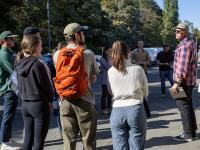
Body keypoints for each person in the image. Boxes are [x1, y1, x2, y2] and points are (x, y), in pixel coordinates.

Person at [55, 23, 98, 150]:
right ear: (77, 35)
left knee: (68, 140)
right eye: (82, 33)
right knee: (88, 140)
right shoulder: (88, 53)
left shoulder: (57, 54)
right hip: (85, 100)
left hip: (65, 101)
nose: (84, 35)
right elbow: (94, 77)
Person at [15, 35, 53, 150]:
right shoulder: (38, 64)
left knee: (28, 139)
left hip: (25, 104)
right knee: (38, 142)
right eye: (40, 45)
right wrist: (50, 100)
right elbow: (47, 86)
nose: (41, 48)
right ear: (35, 46)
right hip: (39, 104)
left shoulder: (18, 63)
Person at [108, 40, 148, 150]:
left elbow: (110, 91)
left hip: (116, 110)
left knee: (119, 145)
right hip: (135, 107)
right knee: (136, 144)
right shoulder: (138, 69)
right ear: (129, 52)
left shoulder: (110, 71)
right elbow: (145, 92)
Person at [171, 23, 198, 142]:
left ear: (185, 32)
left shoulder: (184, 46)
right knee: (188, 105)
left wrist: (177, 83)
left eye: (178, 31)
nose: (176, 33)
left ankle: (188, 134)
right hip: (189, 81)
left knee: (183, 106)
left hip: (183, 82)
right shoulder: (191, 43)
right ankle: (191, 131)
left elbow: (182, 67)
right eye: (175, 31)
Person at [0, 31, 21, 150]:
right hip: (9, 88)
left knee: (11, 115)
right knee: (8, 115)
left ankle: (7, 139)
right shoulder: (4, 53)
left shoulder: (8, 52)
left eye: (13, 38)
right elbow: (13, 70)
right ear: (4, 41)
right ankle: (4, 143)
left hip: (11, 88)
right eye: (11, 39)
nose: (13, 40)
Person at [130, 40, 151, 118]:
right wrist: (136, 63)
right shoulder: (134, 52)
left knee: (145, 83)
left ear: (143, 44)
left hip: (144, 69)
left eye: (141, 43)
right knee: (137, 84)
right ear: (137, 44)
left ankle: (145, 96)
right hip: (136, 70)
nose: (140, 44)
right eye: (139, 43)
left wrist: (145, 62)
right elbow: (130, 60)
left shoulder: (146, 51)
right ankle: (139, 96)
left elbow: (149, 60)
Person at [100, 48, 112, 114]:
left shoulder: (112, 58)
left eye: (111, 50)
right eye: (108, 50)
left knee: (110, 94)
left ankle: (109, 107)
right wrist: (110, 60)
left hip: (112, 79)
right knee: (104, 95)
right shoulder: (102, 59)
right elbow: (108, 67)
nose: (110, 51)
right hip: (105, 79)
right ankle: (103, 108)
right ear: (105, 51)